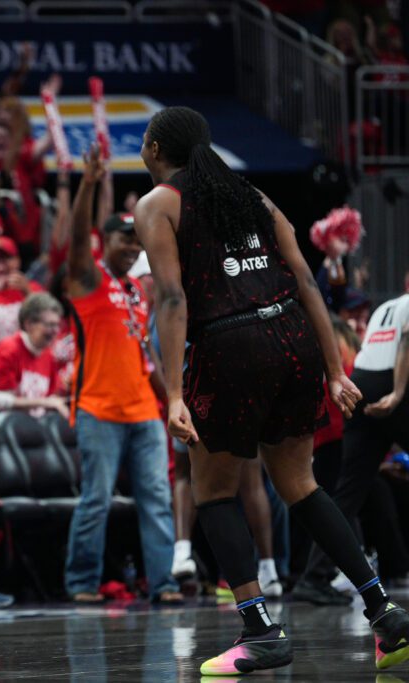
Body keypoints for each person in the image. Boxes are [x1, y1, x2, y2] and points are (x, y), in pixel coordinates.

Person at [134, 105, 409, 674]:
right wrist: (337, 371)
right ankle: (384, 612)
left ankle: (259, 629)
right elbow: (307, 281)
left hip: (230, 347)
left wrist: (175, 393)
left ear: (158, 149)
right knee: (302, 486)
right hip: (294, 341)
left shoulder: (158, 204)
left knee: (212, 493)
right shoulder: (253, 196)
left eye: (143, 140)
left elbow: (171, 300)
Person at [63, 148, 181, 607]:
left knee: (157, 498)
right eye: (123, 242)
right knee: (95, 500)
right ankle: (81, 582)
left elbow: (146, 353)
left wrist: (172, 400)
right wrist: (89, 185)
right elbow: (75, 242)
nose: (132, 248)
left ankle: (164, 584)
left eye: (137, 243)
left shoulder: (136, 291)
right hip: (98, 410)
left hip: (143, 412)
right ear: (104, 243)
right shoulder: (87, 281)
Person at [294, 291, 409, 605]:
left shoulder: (388, 305)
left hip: (362, 383)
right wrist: (398, 394)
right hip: (392, 382)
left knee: (349, 492)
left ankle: (314, 577)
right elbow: (406, 345)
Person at [0, 292, 69, 420]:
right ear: (29, 324)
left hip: (21, 425)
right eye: (49, 325)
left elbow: (50, 398)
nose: (55, 331)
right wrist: (43, 402)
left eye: (57, 325)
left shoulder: (48, 356)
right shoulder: (10, 349)